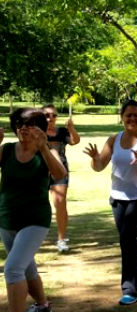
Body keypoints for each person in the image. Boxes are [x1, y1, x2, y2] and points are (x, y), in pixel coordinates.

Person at [0, 108, 67, 312]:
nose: (23, 128)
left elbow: (60, 174)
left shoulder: (49, 152)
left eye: (29, 124)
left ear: (40, 128)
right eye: (19, 123)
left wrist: (43, 148)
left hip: (35, 219)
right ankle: (43, 305)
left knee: (13, 269)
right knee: (26, 268)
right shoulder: (6, 150)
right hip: (7, 218)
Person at [84, 100, 137, 305]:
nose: (132, 119)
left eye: (136, 115)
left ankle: (132, 289)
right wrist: (94, 158)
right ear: (122, 117)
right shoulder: (113, 139)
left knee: (127, 239)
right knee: (127, 240)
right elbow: (99, 166)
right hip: (118, 198)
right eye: (128, 115)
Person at [43, 104, 80, 253]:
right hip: (40, 171)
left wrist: (71, 128)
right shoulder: (37, 132)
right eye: (47, 115)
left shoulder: (61, 132)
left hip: (60, 170)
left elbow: (75, 141)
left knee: (60, 202)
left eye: (53, 115)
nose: (50, 118)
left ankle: (61, 239)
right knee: (38, 203)